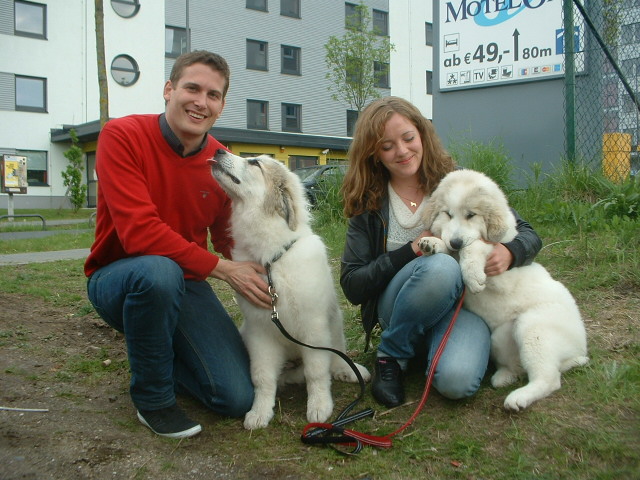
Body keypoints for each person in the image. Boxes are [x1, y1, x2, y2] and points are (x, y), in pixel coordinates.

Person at [85, 51, 272, 438]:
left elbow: (227, 236)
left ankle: (155, 349)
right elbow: (140, 234)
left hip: (185, 281)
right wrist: (224, 270)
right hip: (122, 278)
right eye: (192, 88)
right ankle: (152, 398)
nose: (201, 102)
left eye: (214, 95)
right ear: (169, 90)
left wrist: (274, 270)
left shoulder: (220, 163)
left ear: (221, 105)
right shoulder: (122, 136)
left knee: (235, 397)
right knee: (158, 272)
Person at [340, 96, 542, 408]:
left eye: (408, 138)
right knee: (441, 267)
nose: (403, 151)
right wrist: (411, 251)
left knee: (457, 382)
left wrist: (510, 251)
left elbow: (527, 232)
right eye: (387, 145)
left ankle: (428, 351)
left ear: (422, 134)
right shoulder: (368, 202)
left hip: (464, 308)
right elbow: (353, 284)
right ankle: (391, 355)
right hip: (397, 307)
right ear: (374, 153)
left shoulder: (456, 181)